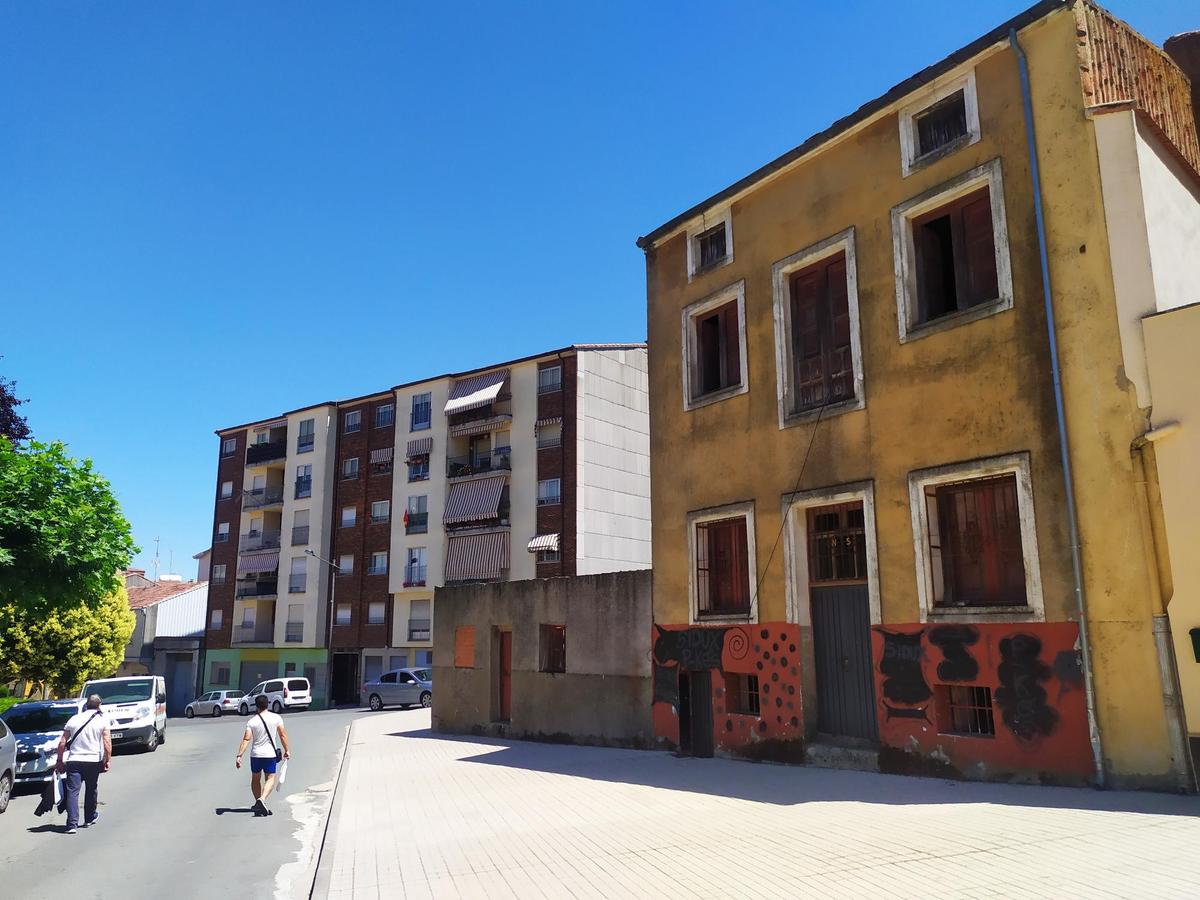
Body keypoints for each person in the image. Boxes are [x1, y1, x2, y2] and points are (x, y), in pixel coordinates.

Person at [54, 694, 111, 834]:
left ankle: (71, 824)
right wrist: (107, 760)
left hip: (74, 760)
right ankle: (89, 818)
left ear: (87, 704)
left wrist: (59, 760)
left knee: (73, 791)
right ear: (99, 705)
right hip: (93, 761)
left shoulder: (74, 719)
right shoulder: (102, 720)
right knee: (91, 789)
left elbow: (62, 742)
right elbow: (107, 743)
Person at [235, 694, 290, 816]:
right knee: (270, 778)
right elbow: (282, 735)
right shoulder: (276, 718)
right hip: (270, 755)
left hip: (255, 755)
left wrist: (239, 755)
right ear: (268, 704)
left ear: (256, 706)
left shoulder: (252, 721)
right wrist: (287, 750)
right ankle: (262, 799)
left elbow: (246, 739)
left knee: (255, 779)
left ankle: (258, 803)